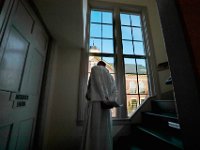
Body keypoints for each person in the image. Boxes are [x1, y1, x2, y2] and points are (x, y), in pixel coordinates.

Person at [80, 61, 119, 150]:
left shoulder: (94, 70)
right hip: (106, 106)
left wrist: (91, 96)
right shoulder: (110, 77)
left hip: (95, 104)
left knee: (93, 128)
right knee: (105, 130)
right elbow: (115, 91)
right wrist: (108, 100)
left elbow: (89, 92)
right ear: (105, 67)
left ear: (98, 65)